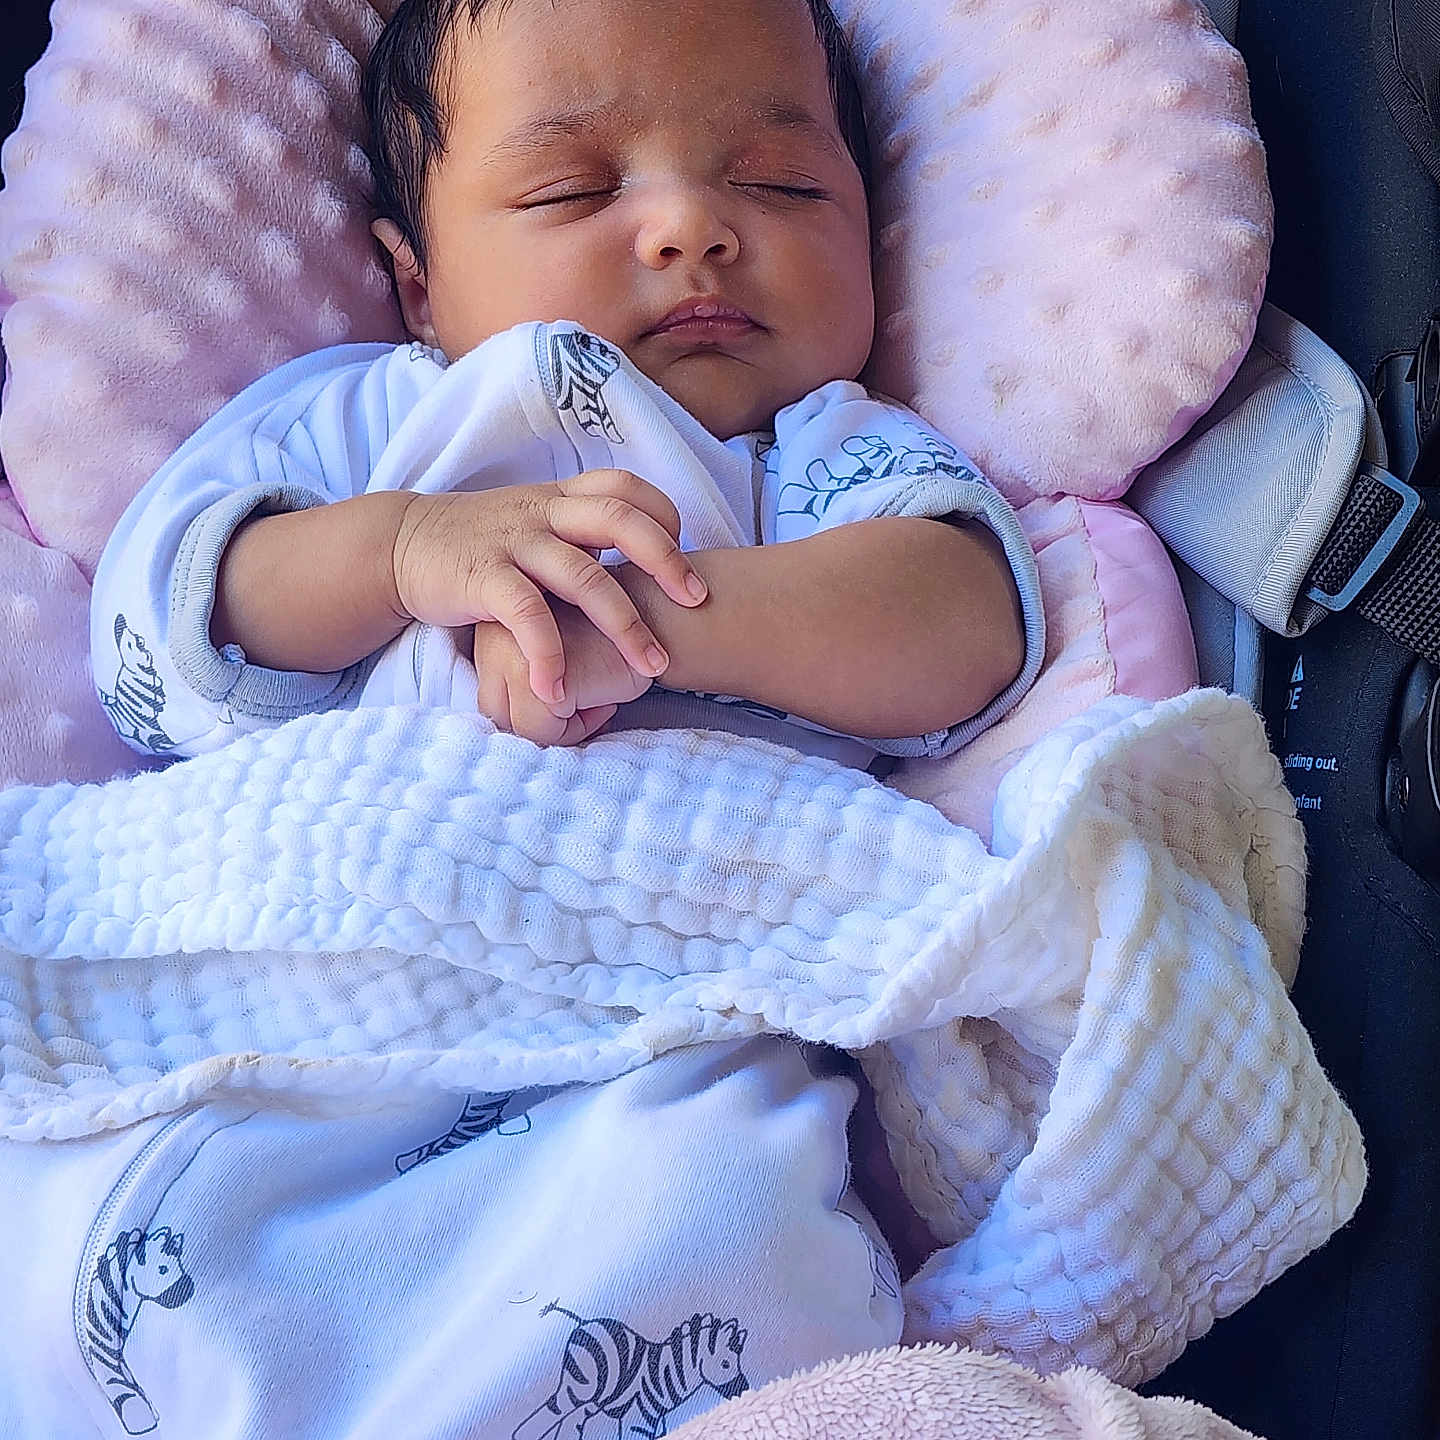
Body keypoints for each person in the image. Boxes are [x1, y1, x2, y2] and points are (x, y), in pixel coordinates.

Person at [65, 0, 1046, 1434]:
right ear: (415, 285)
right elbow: (161, 627)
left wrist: (674, 612)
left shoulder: (820, 456)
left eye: (781, 185)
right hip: (299, 1009)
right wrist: (402, 551)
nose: (691, 231)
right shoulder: (360, 426)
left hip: (651, 1046)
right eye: (576, 190)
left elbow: (964, 624)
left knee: (730, 1220)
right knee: (117, 1223)